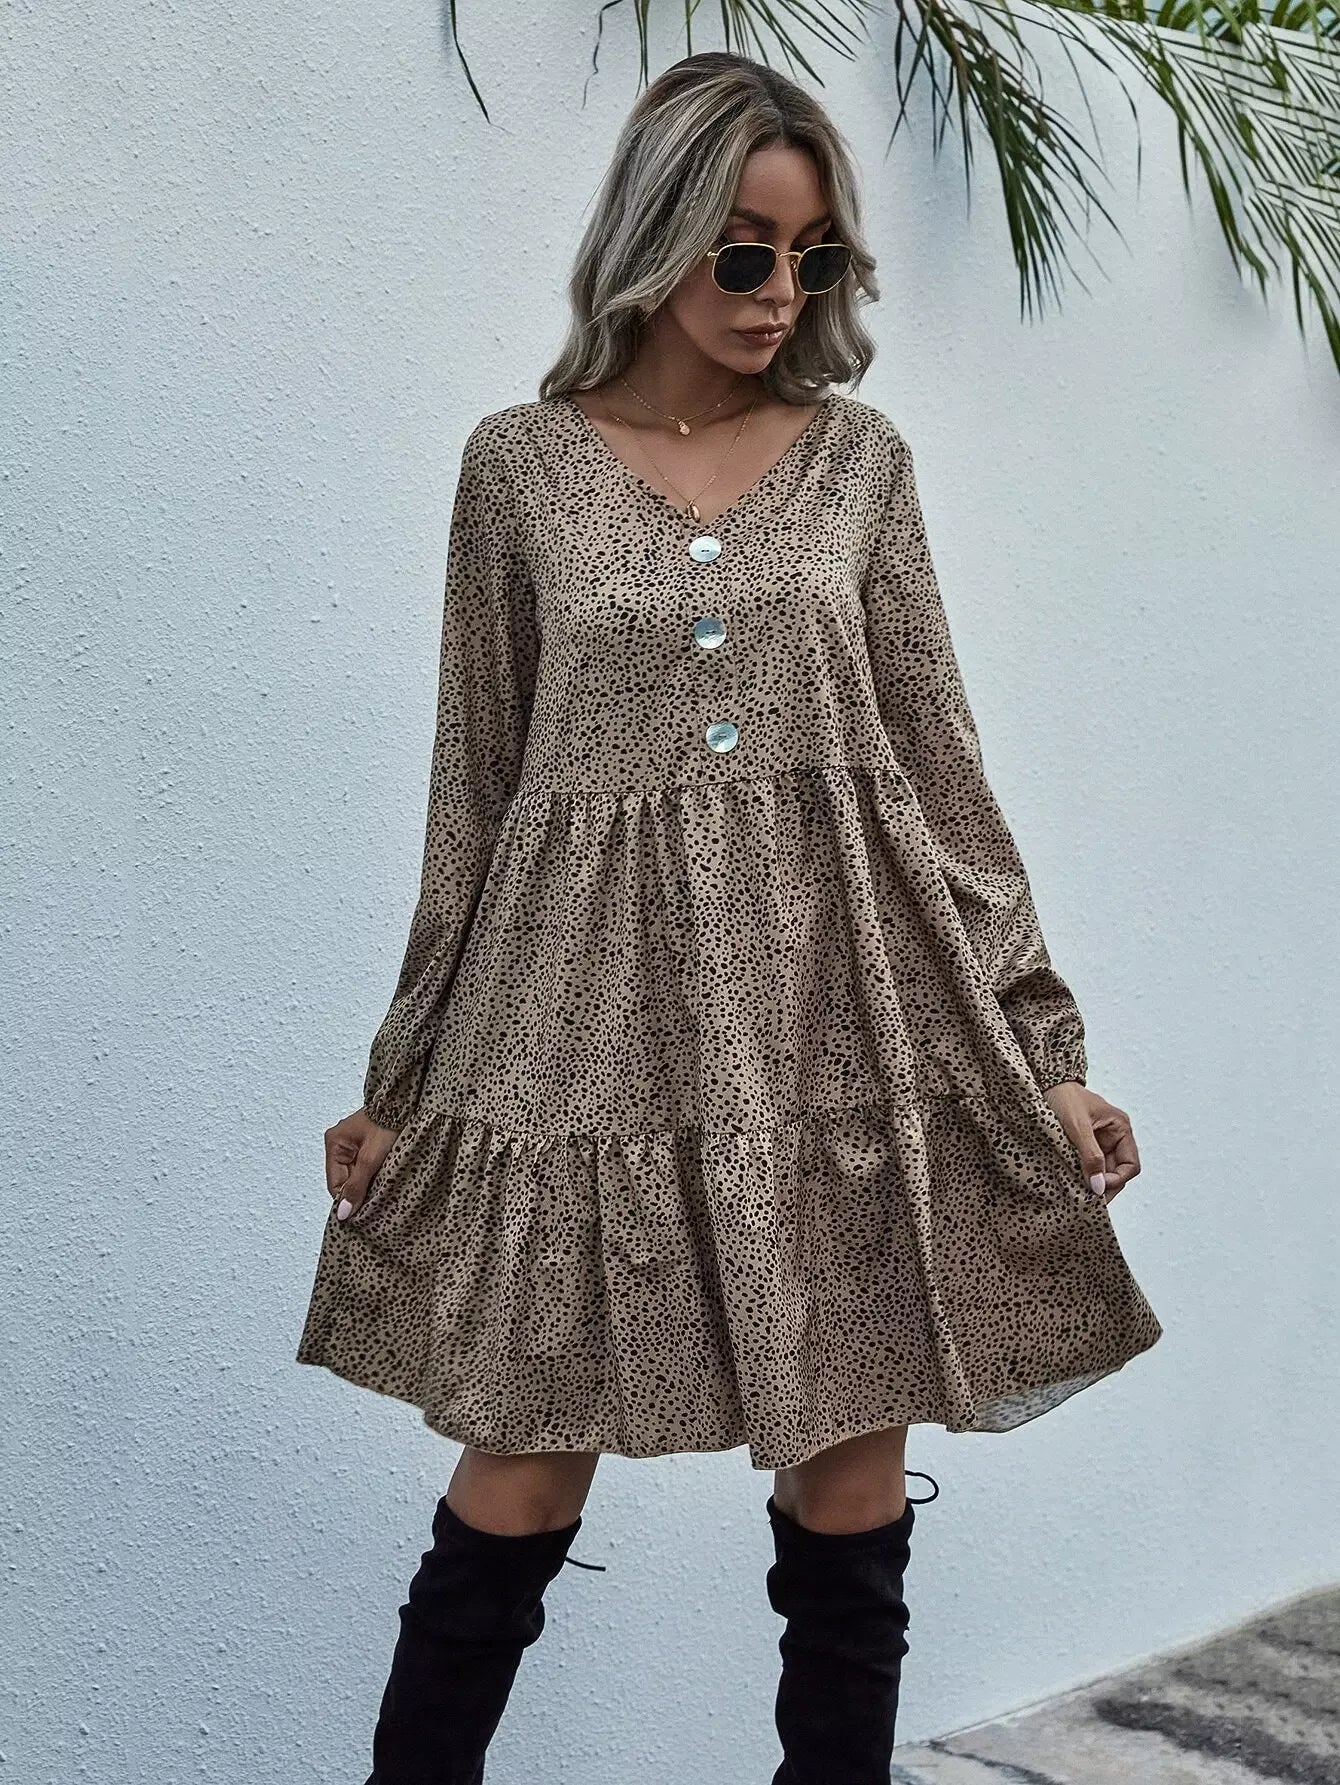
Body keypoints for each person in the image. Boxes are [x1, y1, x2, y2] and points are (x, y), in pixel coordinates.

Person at [296, 47, 1163, 1785]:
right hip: (570, 1030)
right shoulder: (518, 468)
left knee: (848, 1485)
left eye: (815, 256)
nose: (781, 292)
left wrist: (1044, 1044)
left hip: (838, 1018)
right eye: (746, 251)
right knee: (519, 1466)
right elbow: (474, 796)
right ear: (657, 235)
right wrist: (403, 1077)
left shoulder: (860, 467)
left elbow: (938, 769)